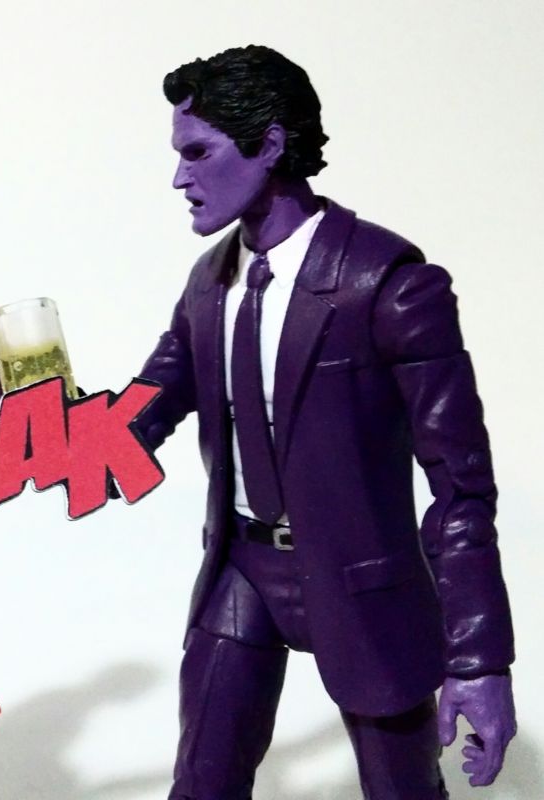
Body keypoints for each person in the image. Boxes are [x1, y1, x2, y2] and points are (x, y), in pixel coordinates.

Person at [133, 46, 516, 800]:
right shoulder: (209, 283)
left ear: (270, 143)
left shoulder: (386, 282)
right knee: (202, 780)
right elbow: (142, 411)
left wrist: (479, 660)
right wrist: (36, 419)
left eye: (198, 153)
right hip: (241, 569)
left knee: (402, 790)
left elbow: (462, 487)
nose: (179, 178)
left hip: (364, 580)